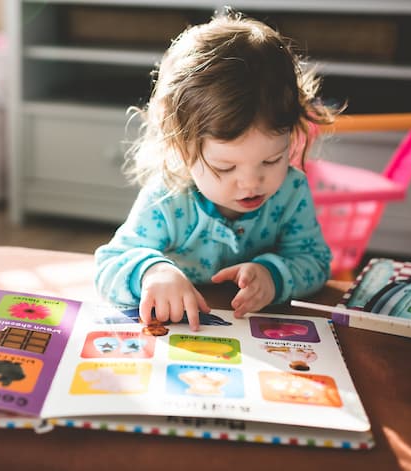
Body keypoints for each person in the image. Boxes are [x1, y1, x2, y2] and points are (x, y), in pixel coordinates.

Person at [94, 10, 337, 331]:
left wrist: (273, 276)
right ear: (181, 148)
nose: (252, 182)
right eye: (225, 167)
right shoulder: (167, 197)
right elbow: (109, 264)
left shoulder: (291, 192)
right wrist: (153, 272)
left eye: (272, 160)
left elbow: (315, 263)